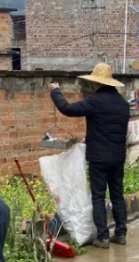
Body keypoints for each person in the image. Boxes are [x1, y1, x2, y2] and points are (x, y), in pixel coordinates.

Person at [49, 63, 130, 249]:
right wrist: (92, 136)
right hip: (117, 157)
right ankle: (120, 233)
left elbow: (67, 109)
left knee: (99, 197)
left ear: (97, 83)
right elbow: (111, 128)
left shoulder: (95, 101)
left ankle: (102, 237)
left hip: (99, 158)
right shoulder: (123, 104)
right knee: (117, 196)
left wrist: (55, 92)